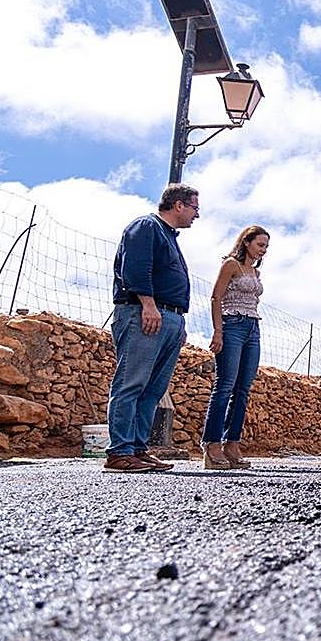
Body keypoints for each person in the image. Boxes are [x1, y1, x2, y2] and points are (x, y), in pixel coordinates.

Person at [103, 184, 199, 473]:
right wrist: (148, 304)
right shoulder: (146, 226)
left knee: (153, 388)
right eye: (195, 207)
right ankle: (119, 452)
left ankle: (137, 448)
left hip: (169, 318)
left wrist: (178, 322)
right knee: (131, 383)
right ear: (178, 205)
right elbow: (136, 267)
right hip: (143, 313)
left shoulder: (168, 236)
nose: (197, 214)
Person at [200, 225, 270, 470]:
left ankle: (232, 443)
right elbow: (216, 298)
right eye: (260, 245)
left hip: (253, 327)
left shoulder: (255, 273)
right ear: (246, 242)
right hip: (232, 325)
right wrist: (218, 331)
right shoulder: (231, 264)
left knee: (243, 389)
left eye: (266, 247)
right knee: (225, 385)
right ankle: (211, 445)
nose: (263, 250)